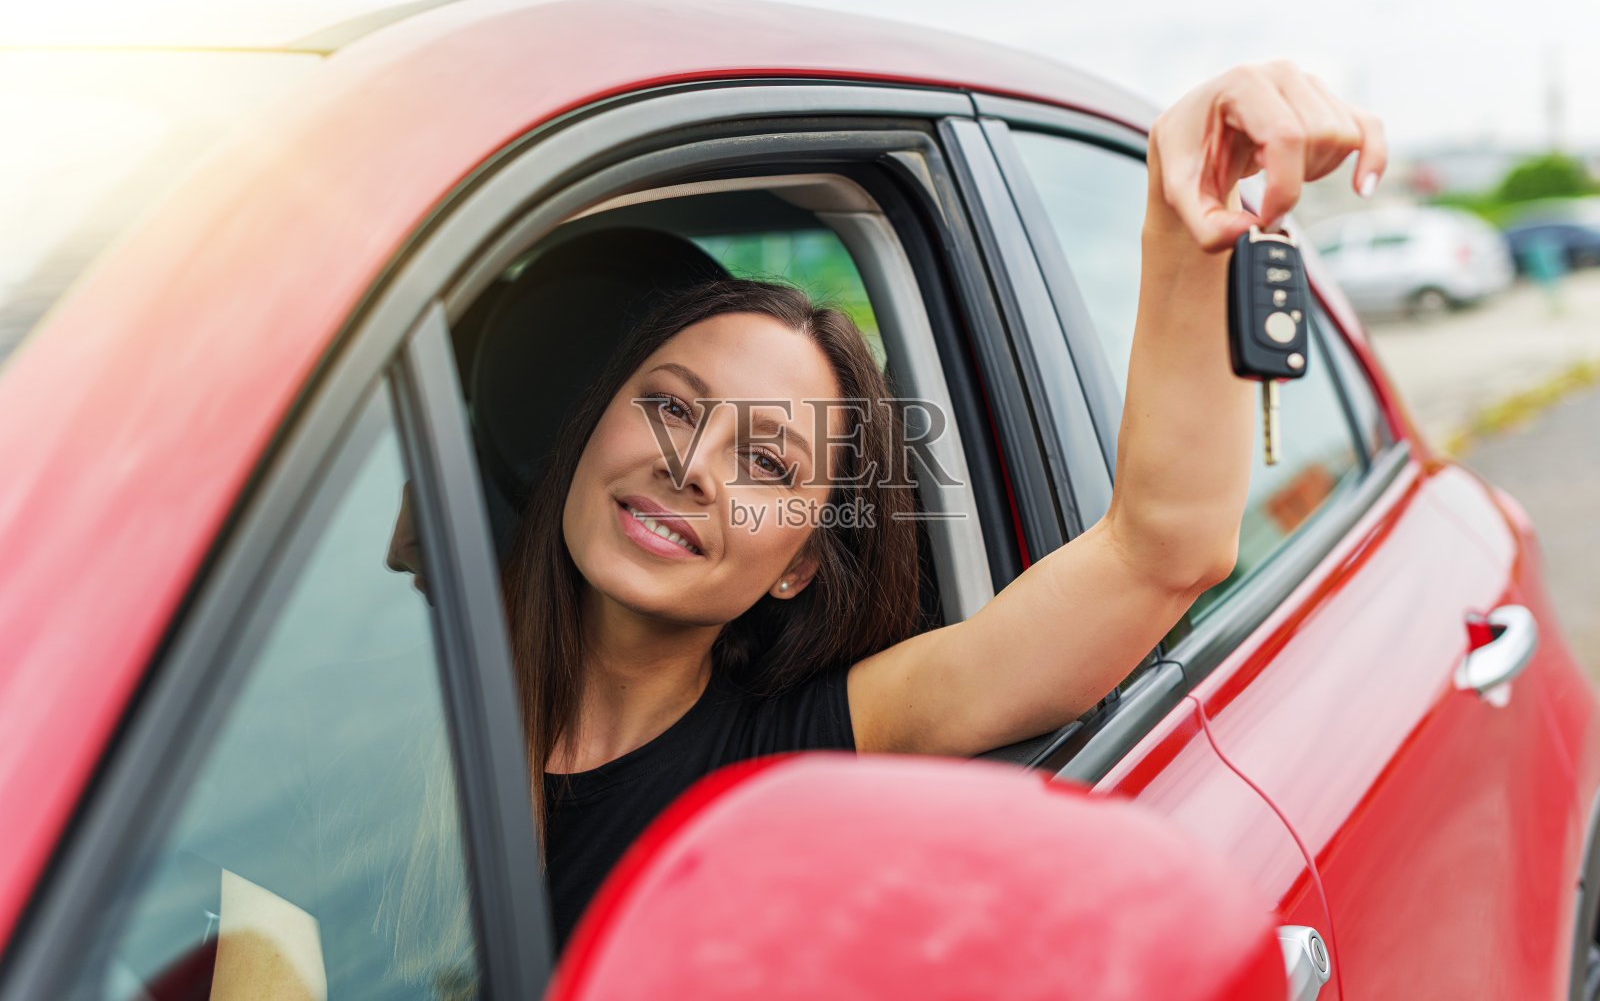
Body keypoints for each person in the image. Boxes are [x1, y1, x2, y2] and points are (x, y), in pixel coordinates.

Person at [214, 59, 1385, 995]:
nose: (691, 467)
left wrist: (1188, 220)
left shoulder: (800, 749)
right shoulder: (376, 714)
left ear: (798, 564)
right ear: (584, 432)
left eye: (767, 458)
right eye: (669, 406)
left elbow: (1156, 549)